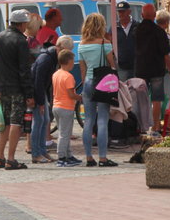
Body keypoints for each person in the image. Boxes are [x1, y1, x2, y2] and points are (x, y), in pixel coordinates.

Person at [0, 10, 34, 170]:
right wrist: (29, 93)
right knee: (15, 122)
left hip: (2, 88)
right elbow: (24, 69)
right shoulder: (21, 41)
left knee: (4, 123)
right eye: (26, 23)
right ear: (21, 24)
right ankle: (11, 159)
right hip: (17, 88)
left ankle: (0, 157)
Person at [77, 13, 117, 167]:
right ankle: (103, 157)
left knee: (88, 120)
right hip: (102, 83)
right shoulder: (105, 43)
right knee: (102, 120)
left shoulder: (81, 45)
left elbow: (82, 69)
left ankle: (88, 157)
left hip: (87, 82)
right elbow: (111, 65)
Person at [30, 35, 74, 164]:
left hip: (40, 91)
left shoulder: (52, 58)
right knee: (39, 121)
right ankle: (36, 153)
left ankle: (42, 151)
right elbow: (38, 81)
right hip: (37, 92)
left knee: (45, 121)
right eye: (66, 50)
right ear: (59, 48)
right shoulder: (46, 59)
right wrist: (40, 102)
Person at [135, 4, 170, 135]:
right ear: (154, 16)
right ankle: (156, 127)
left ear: (142, 15)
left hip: (140, 70)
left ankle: (141, 127)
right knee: (156, 99)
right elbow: (166, 55)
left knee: (140, 99)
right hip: (157, 70)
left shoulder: (136, 30)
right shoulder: (159, 32)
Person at [53, 49, 82, 167]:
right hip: (66, 107)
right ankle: (61, 157)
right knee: (65, 134)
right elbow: (71, 94)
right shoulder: (68, 76)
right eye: (72, 61)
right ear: (68, 61)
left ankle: (68, 154)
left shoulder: (56, 74)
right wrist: (79, 97)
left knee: (63, 132)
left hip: (56, 106)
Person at [114, 2, 139, 82]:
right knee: (123, 90)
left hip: (136, 65)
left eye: (123, 11)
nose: (120, 14)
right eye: (119, 11)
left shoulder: (137, 26)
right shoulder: (114, 27)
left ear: (129, 11)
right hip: (121, 66)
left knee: (136, 90)